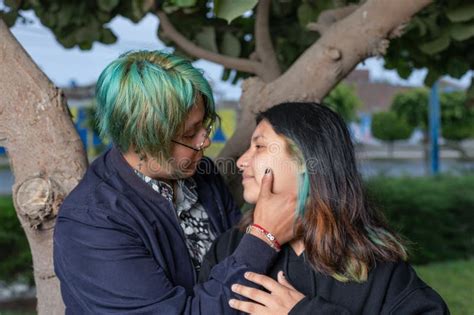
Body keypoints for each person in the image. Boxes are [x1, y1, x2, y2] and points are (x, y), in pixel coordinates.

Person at [53, 50, 296, 314]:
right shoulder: (91, 223)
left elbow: (232, 253)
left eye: (204, 125)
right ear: (141, 138)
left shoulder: (200, 172)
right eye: (190, 134)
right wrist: (264, 237)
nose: (204, 142)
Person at [199, 102, 449, 314]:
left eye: (259, 146)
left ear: (307, 159)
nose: (241, 162)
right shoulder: (229, 248)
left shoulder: (375, 264)